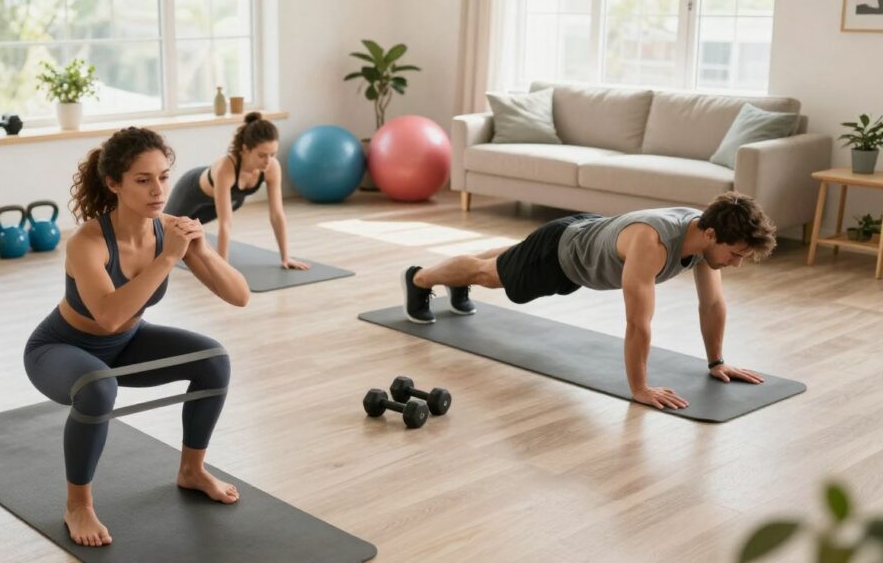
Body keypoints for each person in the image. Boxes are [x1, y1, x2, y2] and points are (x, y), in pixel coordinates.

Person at [24, 127, 250, 547]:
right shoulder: (88, 242)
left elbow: (239, 296)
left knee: (213, 359)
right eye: (143, 180)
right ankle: (78, 505)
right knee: (97, 388)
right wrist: (168, 259)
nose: (158, 190)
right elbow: (108, 317)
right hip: (61, 348)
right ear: (114, 184)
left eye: (164, 177)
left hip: (127, 345)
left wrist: (198, 249)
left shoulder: (171, 230)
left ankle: (192, 470)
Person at [401, 191, 776, 411]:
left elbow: (712, 305)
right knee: (489, 275)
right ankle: (420, 278)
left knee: (493, 265)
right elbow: (637, 323)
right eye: (736, 254)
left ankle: (456, 277)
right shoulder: (653, 243)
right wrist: (640, 389)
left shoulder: (704, 238)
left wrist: (717, 362)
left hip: (582, 233)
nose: (736, 263)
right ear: (712, 234)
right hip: (559, 257)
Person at [164, 111, 309, 270]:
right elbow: (225, 223)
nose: (268, 161)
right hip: (191, 192)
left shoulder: (272, 167)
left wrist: (285, 257)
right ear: (246, 149)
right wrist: (223, 268)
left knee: (186, 232)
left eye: (272, 154)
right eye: (262, 155)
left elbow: (277, 214)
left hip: (230, 200)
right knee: (162, 233)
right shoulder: (227, 167)